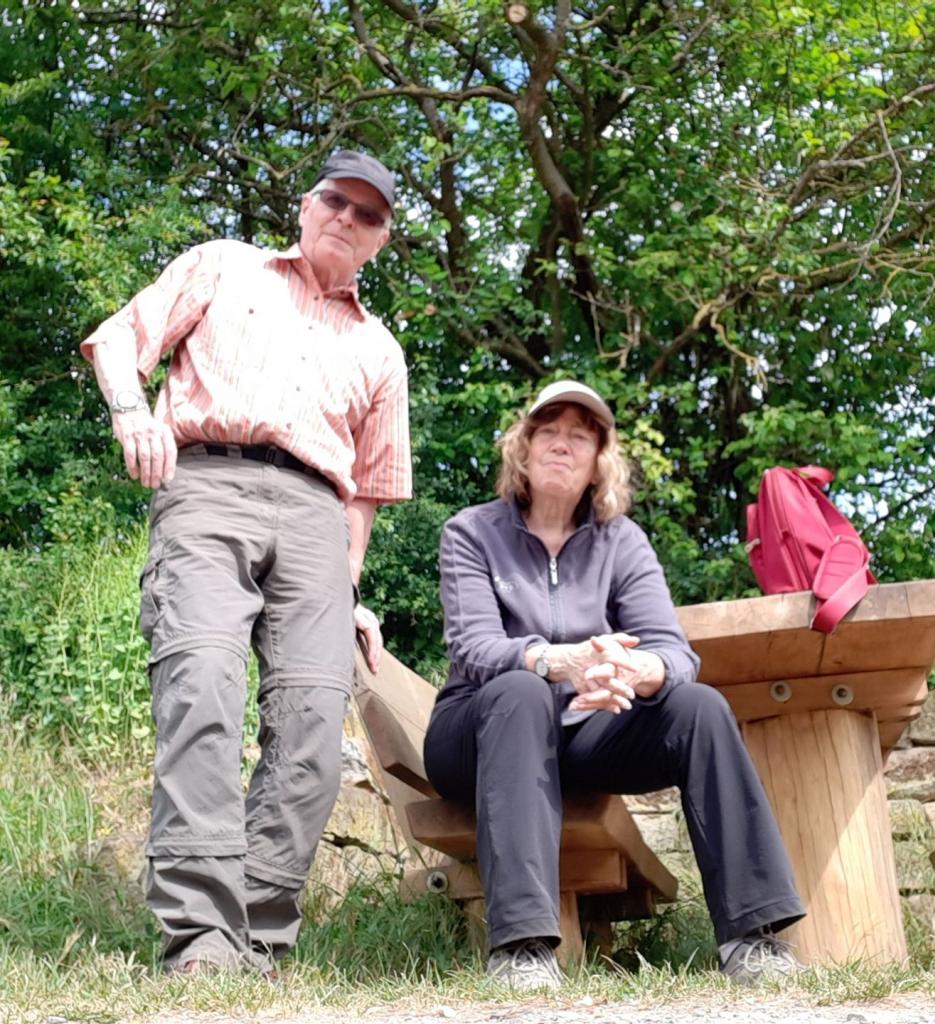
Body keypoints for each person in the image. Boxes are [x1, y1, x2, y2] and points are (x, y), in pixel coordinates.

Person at [79, 149, 411, 975]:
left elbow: (368, 492)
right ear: (307, 205)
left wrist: (348, 588)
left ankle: (257, 939)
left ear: (382, 239)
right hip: (206, 487)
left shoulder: (381, 351)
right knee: (201, 690)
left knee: (313, 726)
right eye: (336, 201)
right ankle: (200, 938)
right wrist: (130, 412)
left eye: (368, 215)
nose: (347, 219)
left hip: (318, 521)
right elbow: (118, 338)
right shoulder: (224, 267)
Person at [423, 380, 806, 990]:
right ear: (522, 448)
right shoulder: (471, 532)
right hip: (480, 728)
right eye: (548, 432)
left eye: (579, 437)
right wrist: (558, 661)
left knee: (699, 706)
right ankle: (521, 950)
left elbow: (673, 651)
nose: (561, 445)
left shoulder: (621, 539)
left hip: (584, 731)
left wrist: (634, 672)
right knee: (521, 692)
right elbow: (473, 649)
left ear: (600, 461)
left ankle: (752, 939)